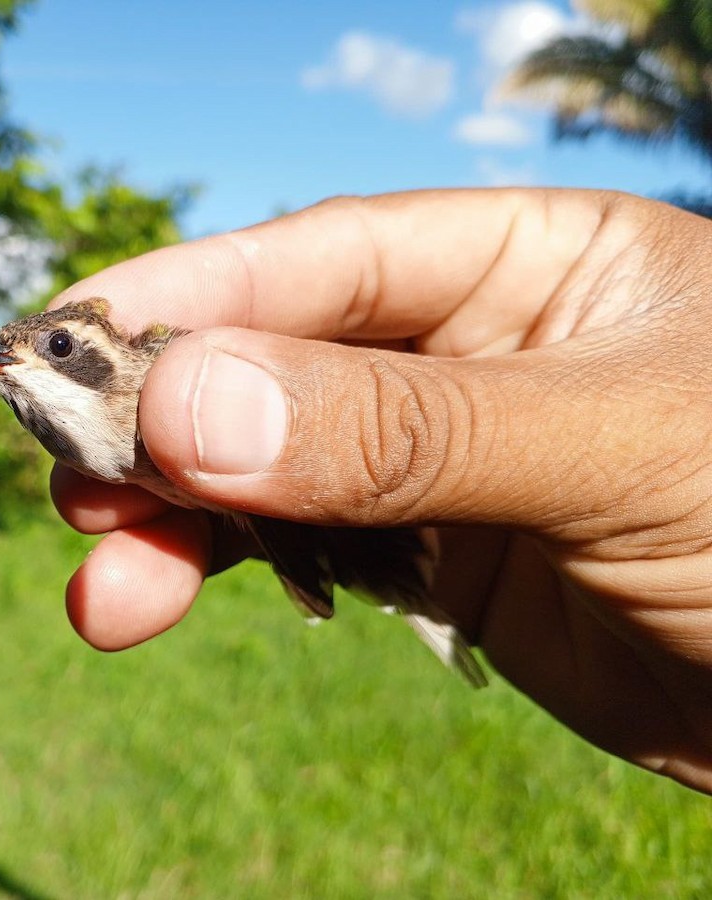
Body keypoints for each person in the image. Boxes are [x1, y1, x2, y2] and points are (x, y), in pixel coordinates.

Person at [45, 188, 712, 795]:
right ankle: (401, 582)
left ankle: (400, 580)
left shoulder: (160, 366)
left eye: (57, 346)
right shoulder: (83, 445)